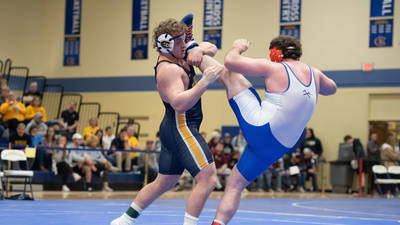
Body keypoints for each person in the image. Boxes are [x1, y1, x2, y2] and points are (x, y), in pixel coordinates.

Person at [207, 35, 337, 225]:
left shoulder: (274, 67)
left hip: (263, 130)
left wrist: (238, 47)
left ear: (275, 53)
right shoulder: (315, 74)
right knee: (235, 184)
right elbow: (332, 88)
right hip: (280, 146)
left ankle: (192, 48)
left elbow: (231, 61)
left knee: (229, 75)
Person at [111, 15, 221, 225]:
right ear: (165, 44)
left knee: (164, 181)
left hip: (174, 128)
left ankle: (125, 220)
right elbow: (179, 103)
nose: (182, 45)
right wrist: (204, 82)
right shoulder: (168, 70)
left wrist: (194, 47)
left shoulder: (179, 54)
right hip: (182, 128)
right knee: (208, 179)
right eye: (178, 42)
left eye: (183, 40)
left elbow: (212, 48)